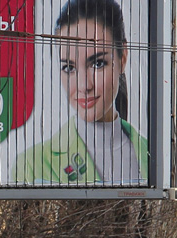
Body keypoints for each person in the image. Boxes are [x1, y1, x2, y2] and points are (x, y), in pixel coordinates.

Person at [10, 0, 148, 184]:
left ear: (122, 59)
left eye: (98, 63)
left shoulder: (152, 155)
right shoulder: (31, 165)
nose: (84, 85)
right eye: (69, 67)